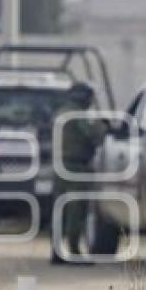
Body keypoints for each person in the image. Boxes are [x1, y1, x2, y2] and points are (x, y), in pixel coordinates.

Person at [51, 83, 106, 264]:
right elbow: (90, 135)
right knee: (76, 210)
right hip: (75, 167)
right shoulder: (76, 114)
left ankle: (57, 251)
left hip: (61, 166)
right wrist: (102, 127)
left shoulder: (61, 112)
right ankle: (73, 251)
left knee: (61, 210)